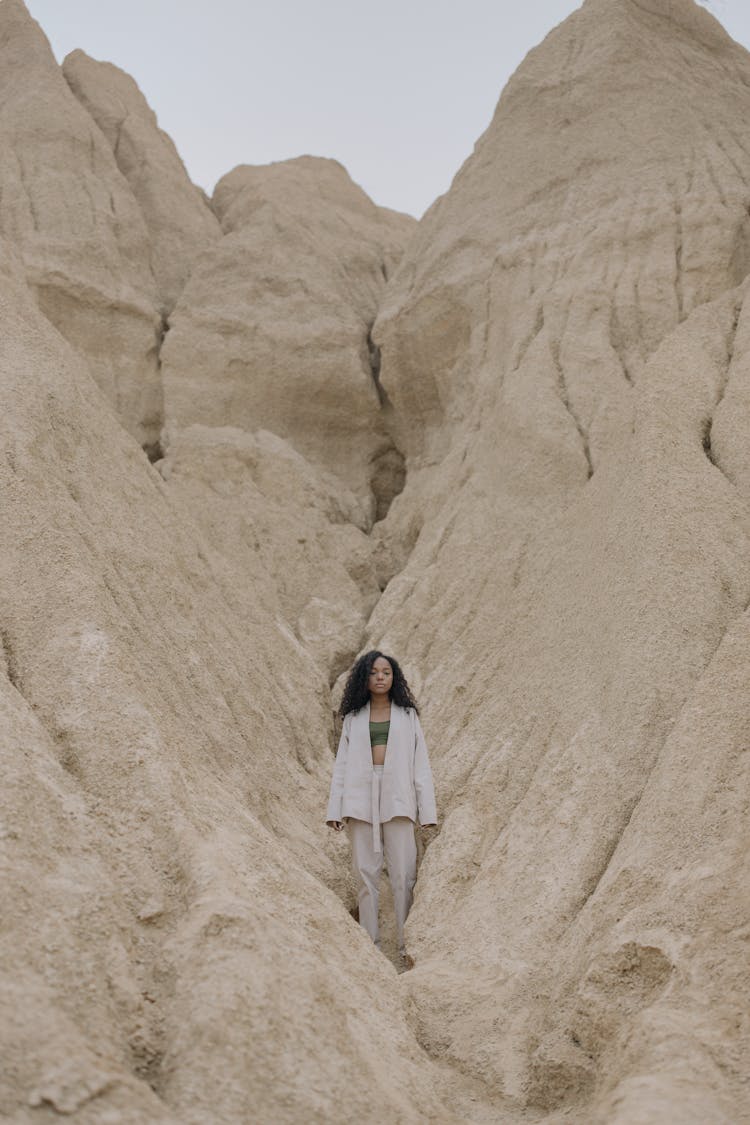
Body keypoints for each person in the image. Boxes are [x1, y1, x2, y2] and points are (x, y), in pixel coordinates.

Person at [326, 649, 437, 962]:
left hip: (399, 797)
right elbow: (342, 766)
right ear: (364, 676)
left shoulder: (407, 716)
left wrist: (426, 811)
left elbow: (421, 765)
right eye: (374, 672)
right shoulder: (353, 717)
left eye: (386, 672)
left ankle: (406, 947)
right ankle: (370, 950)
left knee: (404, 875)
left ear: (394, 678)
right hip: (361, 799)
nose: (380, 677)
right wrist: (335, 809)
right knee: (365, 875)